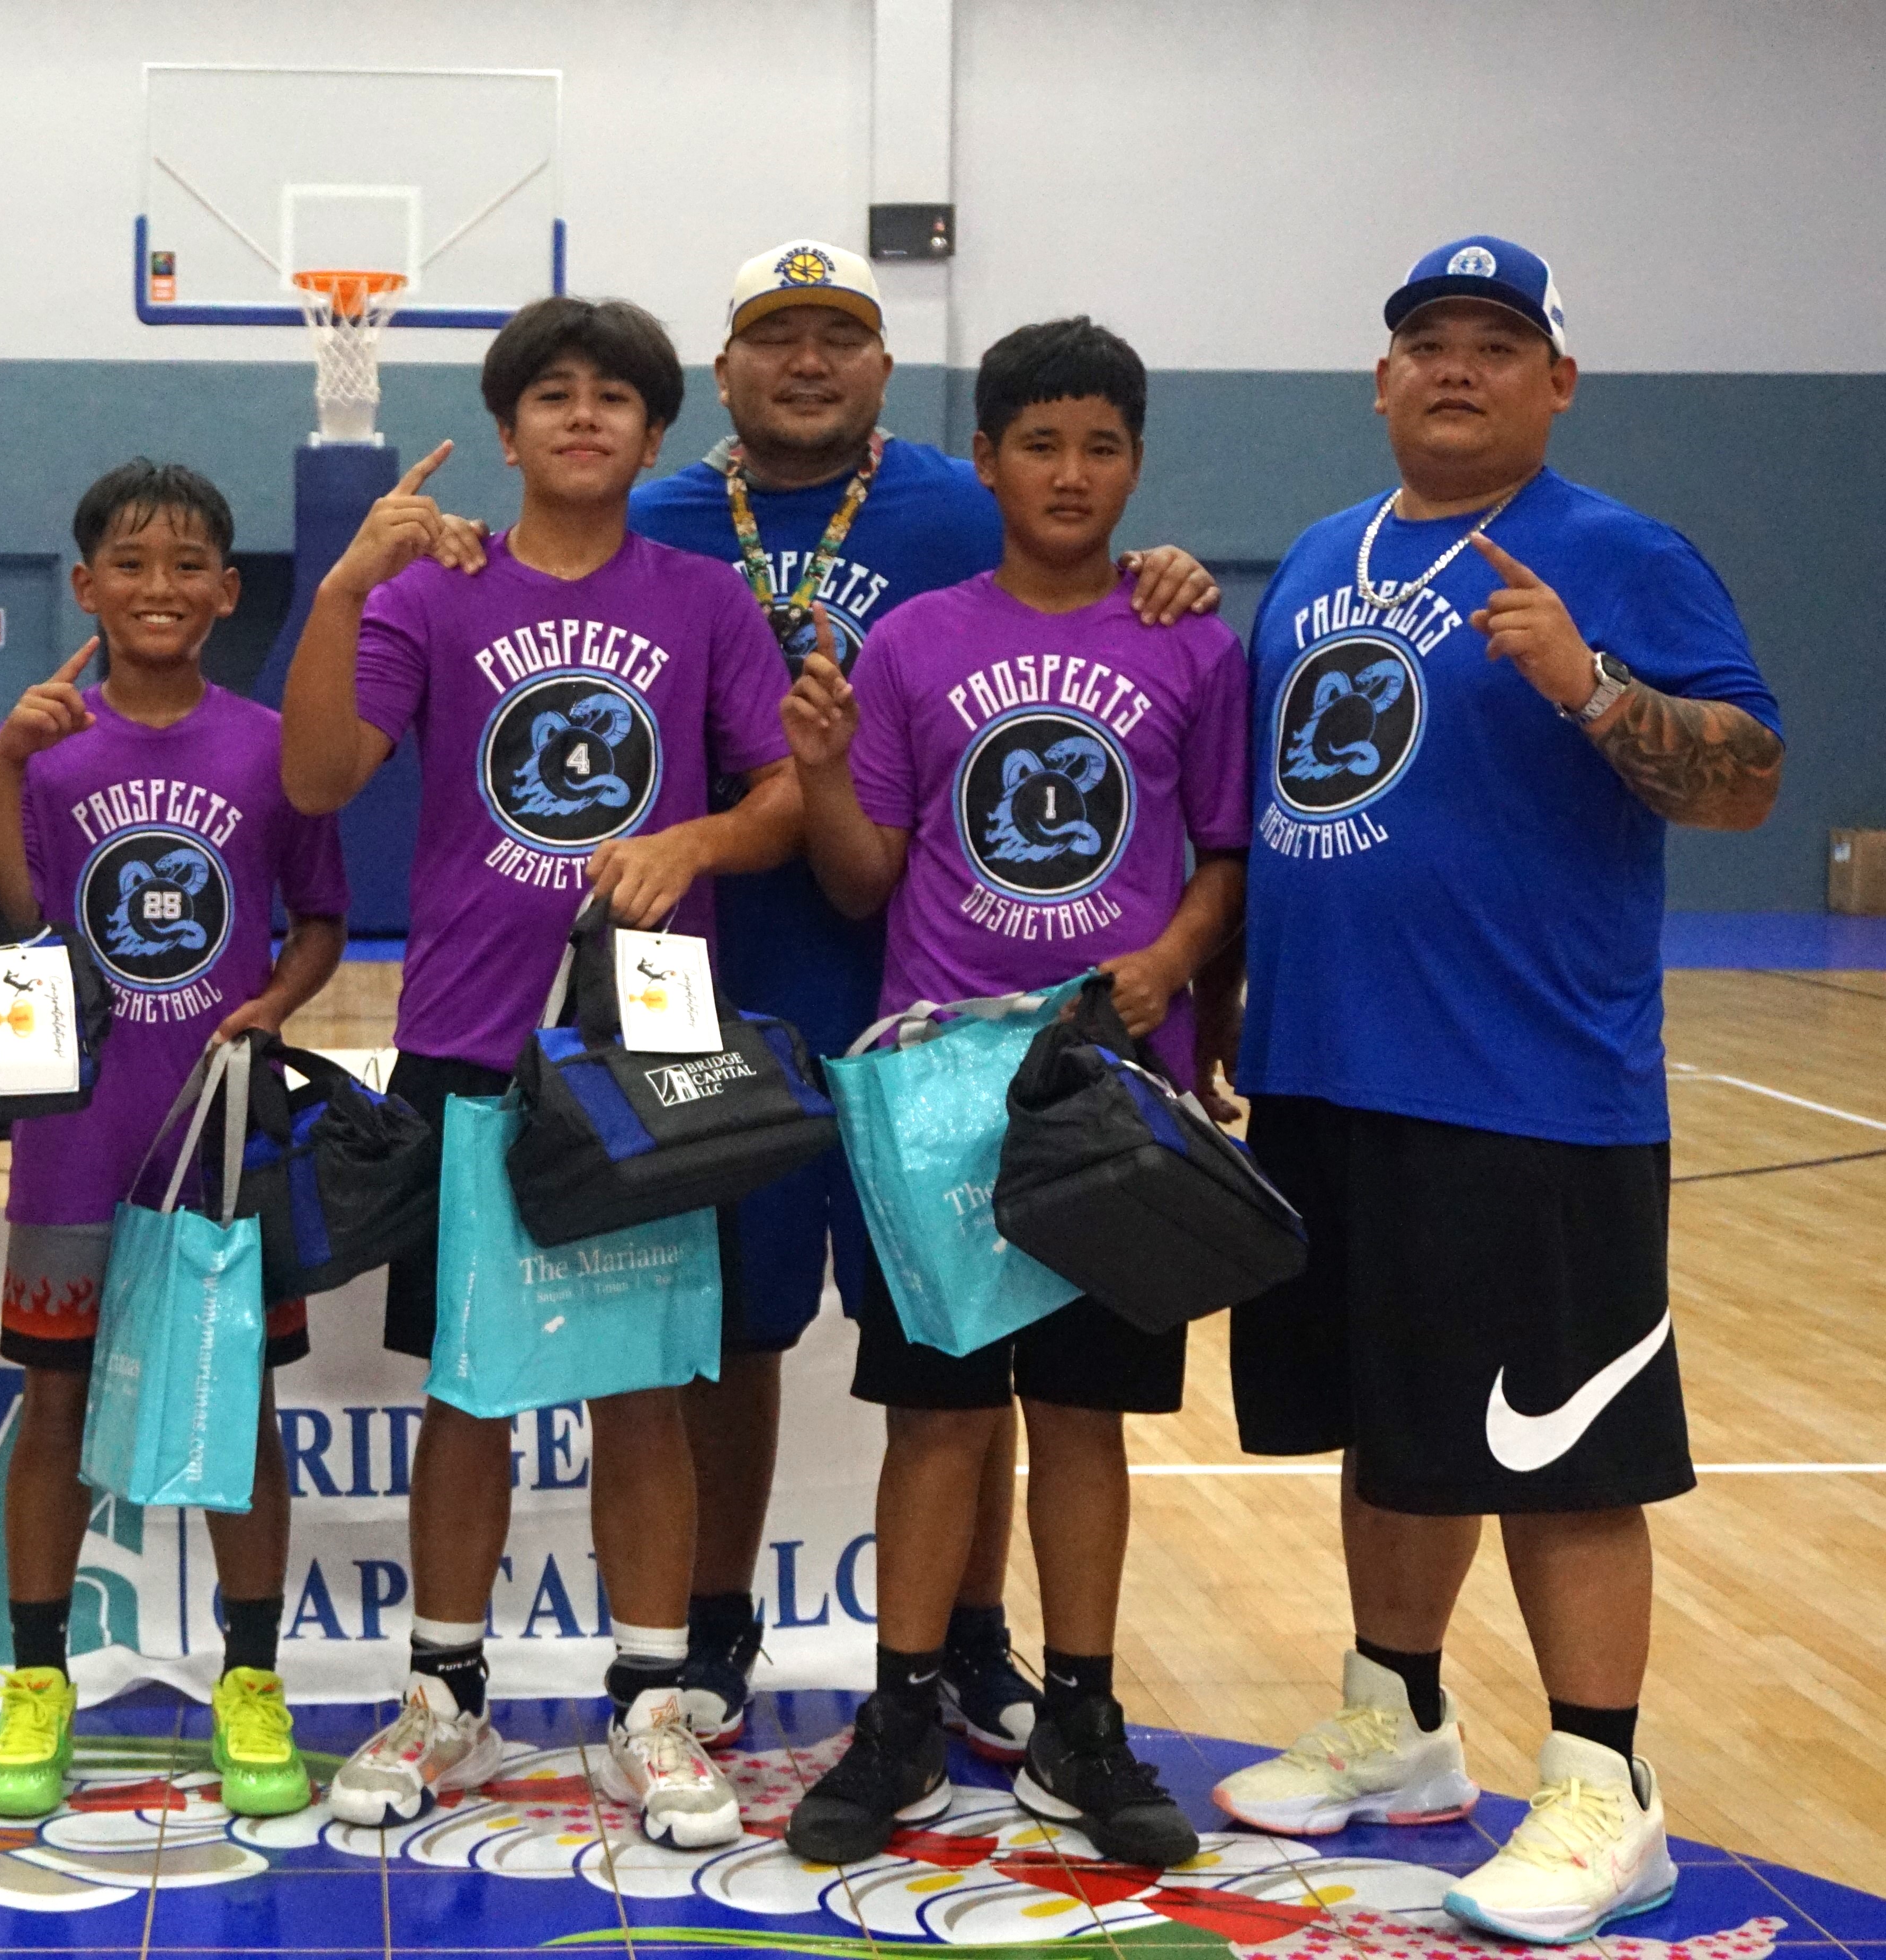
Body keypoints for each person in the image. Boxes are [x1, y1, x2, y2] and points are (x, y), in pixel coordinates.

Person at [1202, 238, 1782, 1945]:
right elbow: (1278, 806)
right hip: (1325, 1075)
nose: (1457, 367)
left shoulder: (1623, 554)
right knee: (1392, 1430)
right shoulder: (1317, 557)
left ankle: (1606, 1791)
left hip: (1529, 1084)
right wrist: (1233, 996)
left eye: (1495, 343)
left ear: (1556, 382)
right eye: (1425, 343)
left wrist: (1591, 683)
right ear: (1381, 381)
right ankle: (1397, 1721)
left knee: (1561, 1453)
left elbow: (1744, 782)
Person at [618, 240, 1219, 1759]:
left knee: (980, 1331)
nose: (807, 363)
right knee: (734, 1330)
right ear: (726, 366)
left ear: (888, 373)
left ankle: (969, 1635)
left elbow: (1087, 591)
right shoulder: (655, 516)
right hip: (714, 984)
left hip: (933, 1009)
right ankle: (711, 1624)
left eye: (839, 337)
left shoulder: (964, 506)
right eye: (775, 338)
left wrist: (1172, 573)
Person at [281, 296, 803, 1850]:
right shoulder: (433, 591)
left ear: (654, 433)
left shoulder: (705, 598)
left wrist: (699, 836)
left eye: (615, 398)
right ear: (507, 433)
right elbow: (317, 776)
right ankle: (447, 1690)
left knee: (641, 1386)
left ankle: (649, 1700)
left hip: (643, 1043)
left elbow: (781, 793)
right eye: (553, 397)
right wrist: (341, 588)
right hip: (465, 1038)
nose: (584, 417)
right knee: (470, 1385)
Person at [775, 316, 1246, 1868]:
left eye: (1100, 444)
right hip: (942, 1096)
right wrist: (832, 770)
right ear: (983, 462)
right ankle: (902, 1709)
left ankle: (1083, 1718)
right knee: (938, 1421)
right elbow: (861, 879)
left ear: (1134, 463)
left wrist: (1174, 956)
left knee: (1087, 1418)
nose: (1068, 471)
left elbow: (1226, 854)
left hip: (1111, 1091)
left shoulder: (1191, 637)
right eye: (1038, 443)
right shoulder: (913, 641)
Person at [0, 460, 347, 1821]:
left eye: (189, 565)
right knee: (54, 1409)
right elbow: (16, 925)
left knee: (234, 1406)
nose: (159, 588)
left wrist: (274, 1004)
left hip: (222, 1129)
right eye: (129, 564)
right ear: (84, 587)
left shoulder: (266, 745)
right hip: (78, 1130)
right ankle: (34, 1682)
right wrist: (4, 762)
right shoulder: (45, 745)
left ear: (229, 591)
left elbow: (316, 921)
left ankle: (251, 1679)